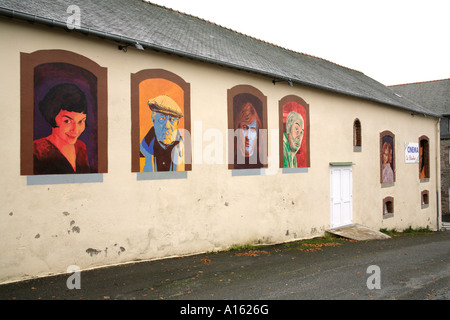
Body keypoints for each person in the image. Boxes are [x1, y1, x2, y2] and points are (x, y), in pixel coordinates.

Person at [33, 83, 90, 174]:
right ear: (52, 116)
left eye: (81, 121)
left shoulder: (81, 147)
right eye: (67, 121)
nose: (75, 130)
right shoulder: (36, 151)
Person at [140, 95, 185, 171]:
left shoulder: (185, 151)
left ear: (177, 124)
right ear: (153, 121)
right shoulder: (141, 152)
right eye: (162, 119)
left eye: (172, 120)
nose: (167, 126)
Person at [234, 102, 262, 168]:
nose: (248, 136)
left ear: (257, 135)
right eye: (244, 128)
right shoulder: (232, 158)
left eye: (252, 130)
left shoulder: (261, 160)